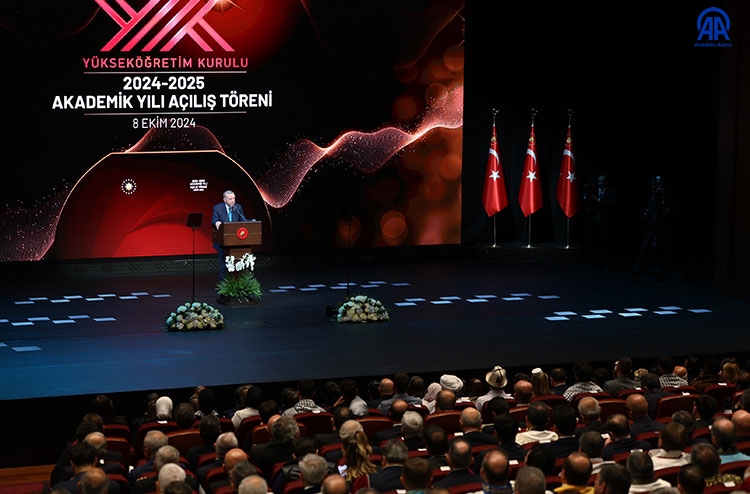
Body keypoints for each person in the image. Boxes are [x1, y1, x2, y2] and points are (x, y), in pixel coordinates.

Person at [212, 189, 248, 280]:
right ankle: (224, 285)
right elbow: (214, 220)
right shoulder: (217, 208)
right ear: (224, 200)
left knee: (237, 265)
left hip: (236, 242)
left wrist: (251, 222)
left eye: (234, 198)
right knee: (223, 266)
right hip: (222, 243)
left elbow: (243, 221)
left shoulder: (238, 207)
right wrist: (217, 222)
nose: (233, 201)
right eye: (230, 199)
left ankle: (237, 283)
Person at [585, 174, 616, 269]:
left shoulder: (611, 192)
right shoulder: (594, 192)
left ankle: (608, 263)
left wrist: (598, 199)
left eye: (602, 181)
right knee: (595, 243)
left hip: (606, 222)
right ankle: (595, 262)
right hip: (595, 221)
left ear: (606, 182)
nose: (600, 183)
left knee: (607, 243)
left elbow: (609, 204)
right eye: (599, 181)